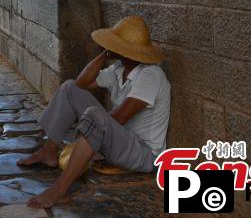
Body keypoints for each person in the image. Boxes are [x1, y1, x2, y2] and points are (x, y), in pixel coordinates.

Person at [18, 15, 171, 208]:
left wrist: (86, 137)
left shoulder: (150, 75)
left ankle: (59, 189)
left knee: (95, 116)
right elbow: (83, 82)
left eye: (116, 44)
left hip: (143, 154)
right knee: (70, 87)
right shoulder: (118, 69)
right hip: (119, 140)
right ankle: (49, 150)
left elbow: (121, 117)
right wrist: (105, 55)